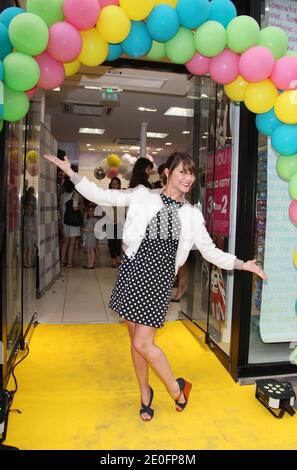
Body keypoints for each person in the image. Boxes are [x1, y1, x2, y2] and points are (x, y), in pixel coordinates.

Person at [44, 151, 268, 421]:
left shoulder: (192, 216)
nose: (188, 178)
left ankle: (176, 388)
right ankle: (144, 393)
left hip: (159, 281)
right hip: (132, 272)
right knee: (135, 341)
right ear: (167, 172)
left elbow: (209, 251)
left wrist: (242, 264)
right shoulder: (143, 195)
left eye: (191, 173)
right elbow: (104, 196)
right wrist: (72, 173)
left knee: (143, 341)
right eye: (182, 171)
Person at [103, 177, 123, 268]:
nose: (114, 185)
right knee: (111, 242)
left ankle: (118, 257)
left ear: (119, 185)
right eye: (112, 183)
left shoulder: (122, 195)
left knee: (118, 241)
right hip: (109, 221)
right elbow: (104, 208)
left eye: (116, 183)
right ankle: (113, 260)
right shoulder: (107, 195)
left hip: (119, 221)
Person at [82, 204, 97, 269]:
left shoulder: (95, 219)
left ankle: (91, 264)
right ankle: (89, 263)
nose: (91, 212)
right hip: (87, 236)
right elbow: (83, 227)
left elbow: (95, 229)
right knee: (88, 250)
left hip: (92, 236)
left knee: (91, 249)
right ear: (87, 211)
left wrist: (88, 229)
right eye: (89, 211)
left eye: (92, 211)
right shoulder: (86, 219)